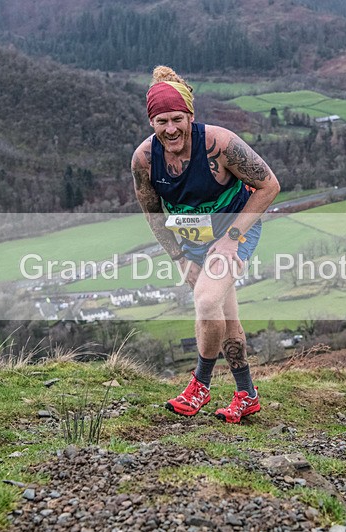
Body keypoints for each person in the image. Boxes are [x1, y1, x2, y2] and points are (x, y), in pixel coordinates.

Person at [131, 66, 280, 423]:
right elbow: (153, 214)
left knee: (207, 300)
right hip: (192, 242)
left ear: (190, 116)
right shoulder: (144, 160)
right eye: (162, 121)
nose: (171, 129)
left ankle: (200, 384)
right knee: (225, 315)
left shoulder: (220, 144)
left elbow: (270, 186)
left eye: (177, 119)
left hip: (235, 229)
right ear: (152, 122)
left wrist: (232, 239)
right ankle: (247, 394)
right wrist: (180, 257)